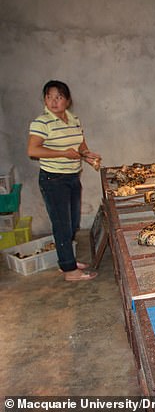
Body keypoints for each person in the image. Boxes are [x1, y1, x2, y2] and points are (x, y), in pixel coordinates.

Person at [27, 80, 102, 281]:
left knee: (72, 223)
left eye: (59, 97)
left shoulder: (73, 119)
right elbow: (33, 150)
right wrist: (62, 153)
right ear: (44, 99)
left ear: (67, 101)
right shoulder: (41, 122)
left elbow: (79, 145)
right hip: (53, 179)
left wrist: (86, 154)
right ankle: (70, 271)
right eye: (49, 97)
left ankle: (65, 260)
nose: (53, 101)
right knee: (62, 224)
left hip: (72, 176)